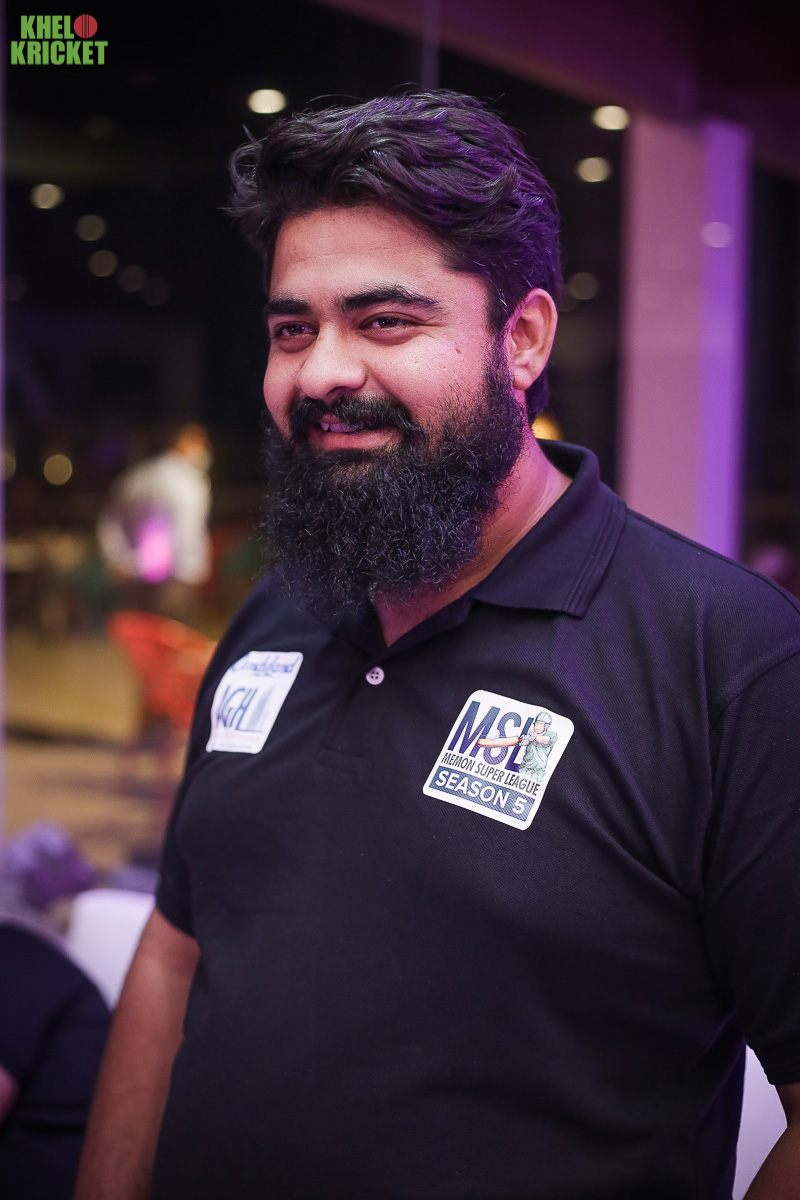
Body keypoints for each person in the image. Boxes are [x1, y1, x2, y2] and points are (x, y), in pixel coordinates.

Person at [76, 91, 800, 1200]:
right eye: (292, 329)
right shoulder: (280, 610)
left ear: (524, 339)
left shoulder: (727, 660)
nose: (321, 373)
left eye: (384, 321)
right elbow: (178, 945)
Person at [97, 423, 213, 623]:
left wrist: (119, 559)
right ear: (181, 444)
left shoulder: (137, 477)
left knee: (144, 633)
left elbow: (109, 521)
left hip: (136, 577)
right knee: (171, 636)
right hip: (178, 579)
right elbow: (187, 535)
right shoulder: (190, 482)